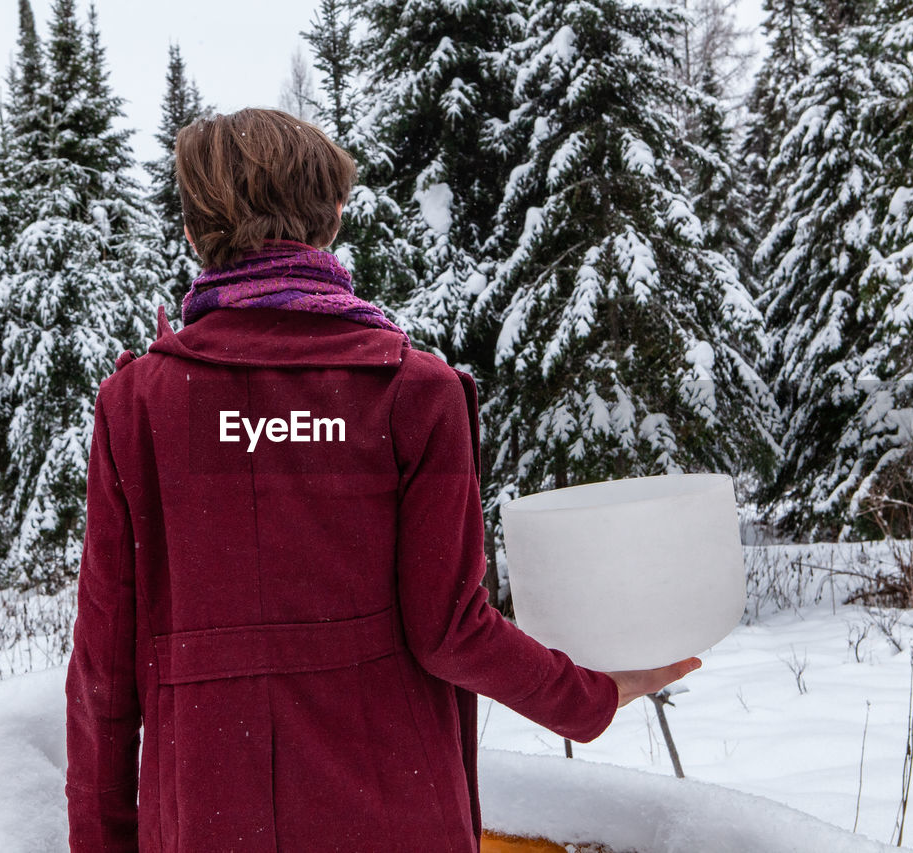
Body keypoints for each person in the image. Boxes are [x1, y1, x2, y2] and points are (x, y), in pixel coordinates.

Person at [64, 107, 701, 853]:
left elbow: (103, 671)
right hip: (396, 816)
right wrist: (589, 695)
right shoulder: (413, 390)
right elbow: (450, 629)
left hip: (207, 818)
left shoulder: (139, 404)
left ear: (194, 234)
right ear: (333, 217)